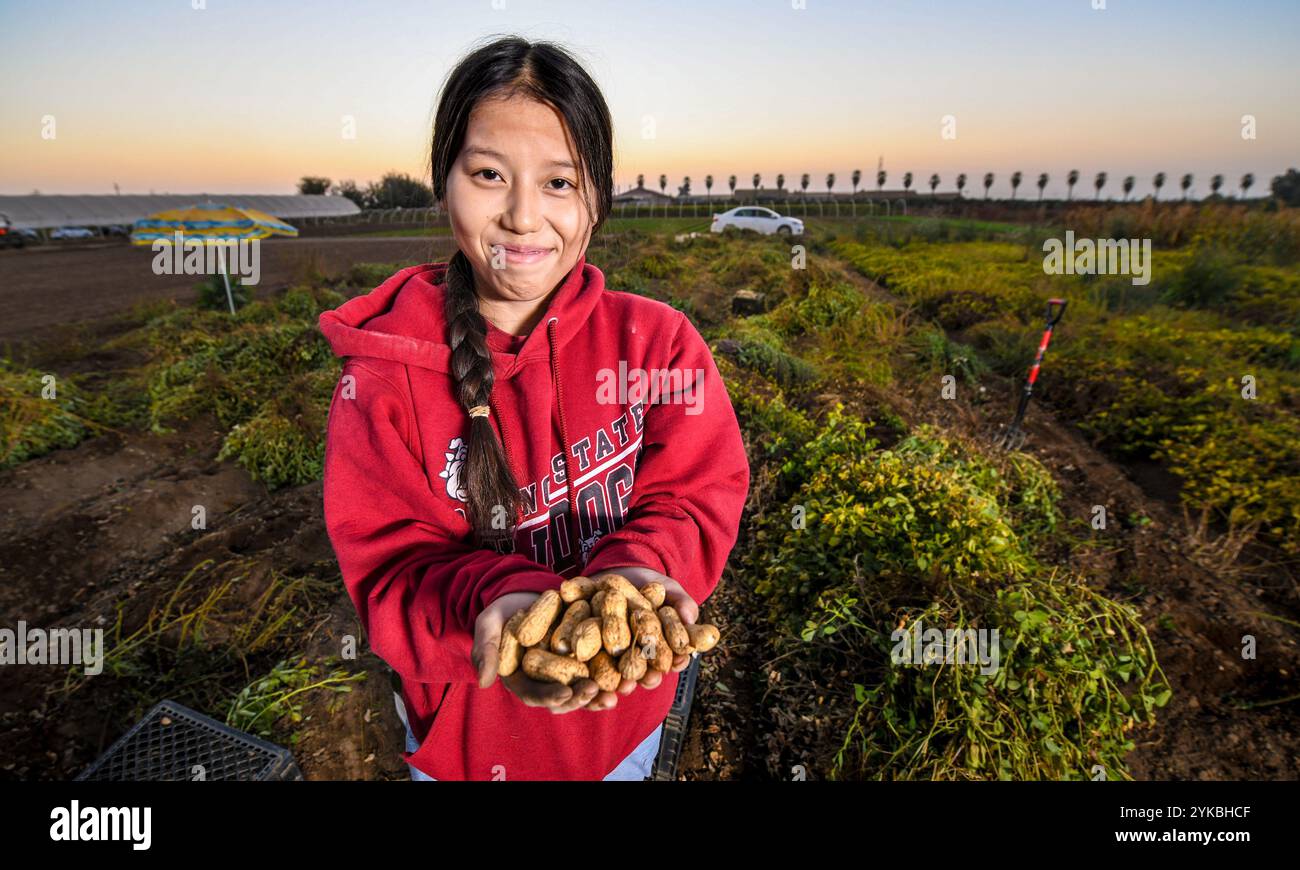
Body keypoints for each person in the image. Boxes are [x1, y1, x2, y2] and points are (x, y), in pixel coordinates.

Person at [318, 35, 749, 781]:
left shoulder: (658, 344)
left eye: (559, 182)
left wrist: (640, 570)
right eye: (489, 174)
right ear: (444, 183)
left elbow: (696, 494)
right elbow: (389, 573)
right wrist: (496, 602)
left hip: (624, 729)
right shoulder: (383, 378)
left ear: (599, 198)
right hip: (470, 746)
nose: (522, 217)